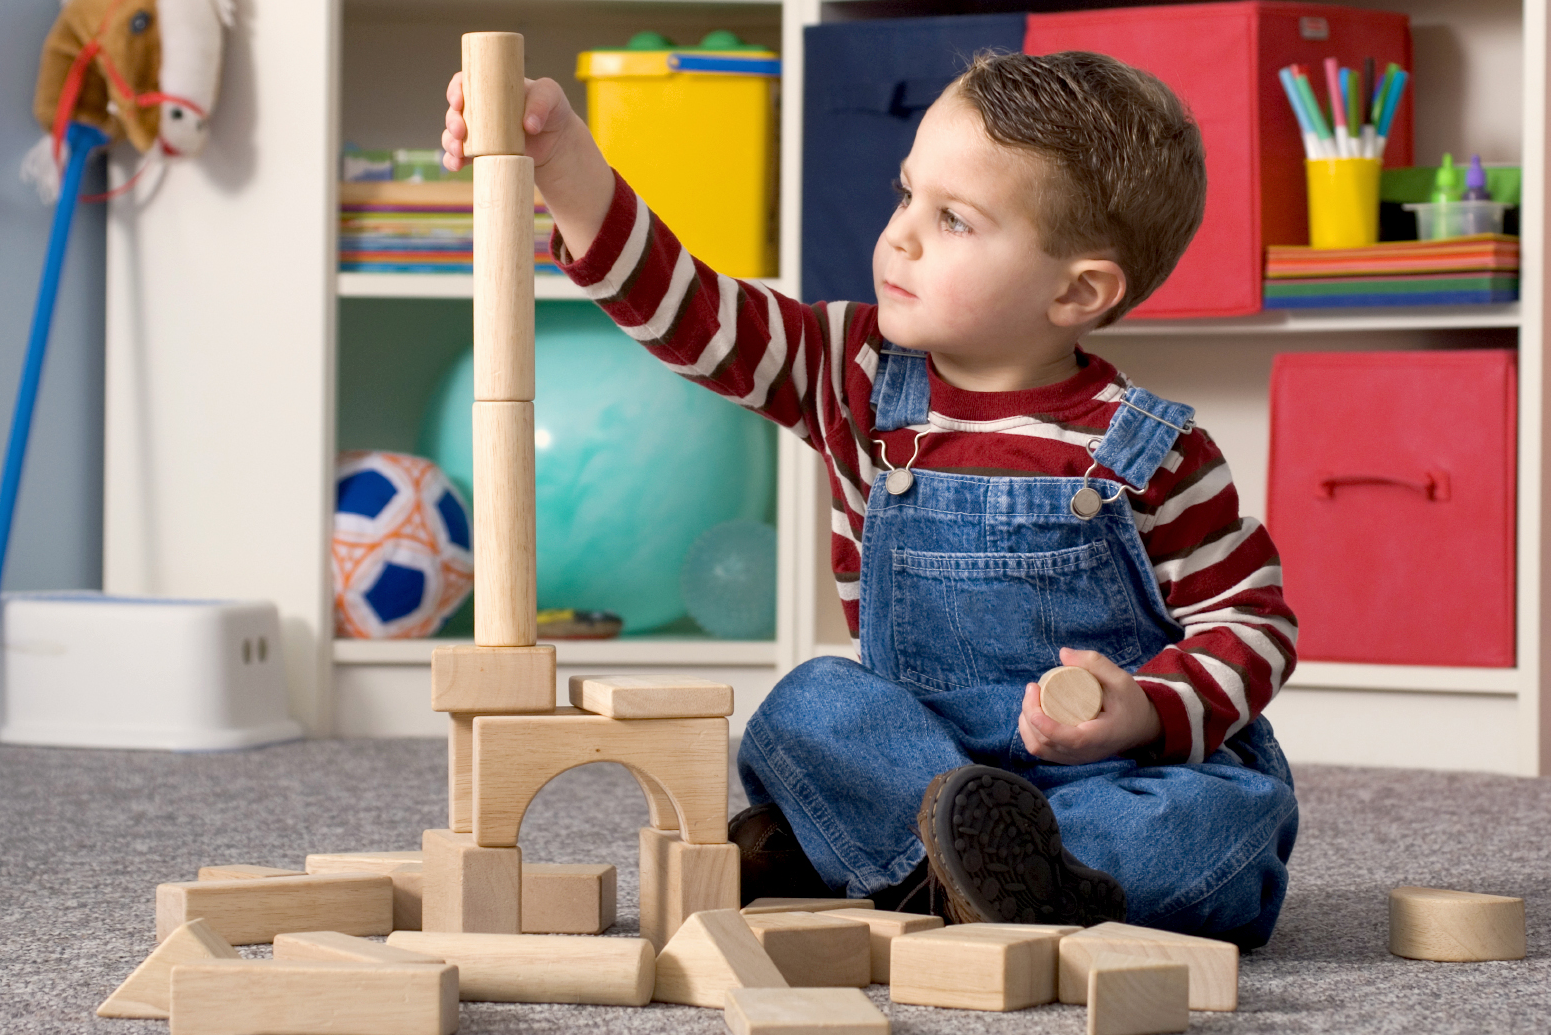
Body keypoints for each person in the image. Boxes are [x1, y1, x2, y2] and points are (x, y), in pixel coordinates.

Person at [442, 49, 1300, 950]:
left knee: (1219, 829)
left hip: (1107, 779)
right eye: (905, 196)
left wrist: (1147, 710)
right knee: (810, 705)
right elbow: (687, 307)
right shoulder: (845, 370)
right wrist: (565, 159)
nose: (901, 236)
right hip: (919, 754)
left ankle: (921, 866)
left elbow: (1256, 624)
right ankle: (959, 869)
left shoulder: (1154, 450)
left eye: (954, 221)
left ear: (1077, 289)